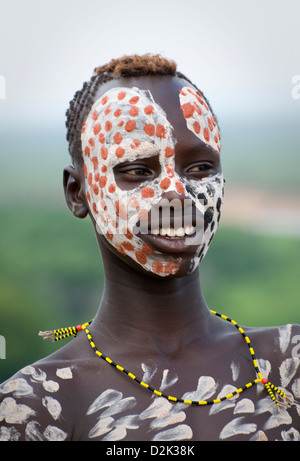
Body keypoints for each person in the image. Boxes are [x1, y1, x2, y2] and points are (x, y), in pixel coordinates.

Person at [0, 54, 299, 442]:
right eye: (139, 170)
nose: (177, 193)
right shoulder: (35, 407)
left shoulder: (288, 364)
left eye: (200, 168)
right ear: (78, 193)